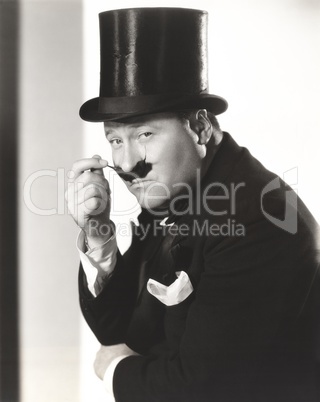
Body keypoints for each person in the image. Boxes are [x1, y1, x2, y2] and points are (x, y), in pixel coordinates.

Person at [66, 7, 320, 402]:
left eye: (145, 133)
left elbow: (200, 390)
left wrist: (113, 369)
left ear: (200, 128)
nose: (127, 162)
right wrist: (98, 233)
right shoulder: (176, 193)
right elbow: (120, 330)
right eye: (115, 139)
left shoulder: (260, 218)